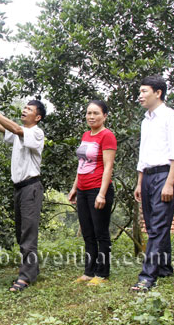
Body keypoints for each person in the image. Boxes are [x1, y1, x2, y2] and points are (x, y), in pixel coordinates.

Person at [0, 99, 46, 292]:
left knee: (28, 232)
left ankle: (25, 277)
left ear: (38, 117)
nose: (24, 111)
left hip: (31, 188)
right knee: (21, 231)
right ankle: (32, 269)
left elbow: (16, 129)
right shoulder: (19, 134)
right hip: (19, 188)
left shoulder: (35, 133)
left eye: (29, 109)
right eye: (24, 108)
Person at [131, 75, 174, 292]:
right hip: (147, 175)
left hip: (165, 174)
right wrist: (139, 182)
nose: (140, 95)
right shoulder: (147, 120)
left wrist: (170, 182)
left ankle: (147, 277)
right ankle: (164, 268)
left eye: (144, 91)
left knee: (158, 226)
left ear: (158, 93)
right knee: (153, 224)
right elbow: (143, 153)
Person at [68, 100, 117, 286]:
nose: (91, 116)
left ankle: (102, 273)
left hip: (98, 189)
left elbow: (108, 166)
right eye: (89, 113)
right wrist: (74, 187)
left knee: (100, 233)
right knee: (87, 232)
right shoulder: (86, 135)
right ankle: (89, 271)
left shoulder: (107, 136)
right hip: (83, 189)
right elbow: (81, 164)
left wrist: (102, 194)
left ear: (104, 115)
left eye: (96, 113)